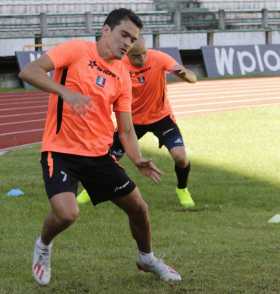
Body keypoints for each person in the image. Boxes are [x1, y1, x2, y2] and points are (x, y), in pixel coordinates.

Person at [19, 9, 182, 286]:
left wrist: (137, 158)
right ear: (106, 30)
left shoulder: (122, 75)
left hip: (98, 155)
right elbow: (29, 72)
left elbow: (126, 129)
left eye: (132, 39)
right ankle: (43, 245)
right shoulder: (75, 50)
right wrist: (66, 93)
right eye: (124, 35)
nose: (127, 43)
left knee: (139, 208)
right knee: (67, 213)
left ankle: (146, 258)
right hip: (60, 151)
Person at [77, 37, 197, 209]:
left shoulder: (159, 58)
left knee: (181, 158)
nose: (141, 59)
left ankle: (182, 189)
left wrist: (185, 74)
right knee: (107, 158)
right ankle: (91, 189)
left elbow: (193, 78)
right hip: (131, 121)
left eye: (144, 54)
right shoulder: (118, 64)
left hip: (161, 117)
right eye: (136, 56)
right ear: (127, 54)